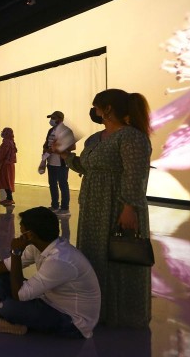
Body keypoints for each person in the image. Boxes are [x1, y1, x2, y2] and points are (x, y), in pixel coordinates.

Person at [59, 89, 153, 328]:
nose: (94, 111)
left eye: (97, 107)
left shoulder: (131, 137)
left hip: (117, 206)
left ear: (108, 109)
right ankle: (96, 309)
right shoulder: (94, 139)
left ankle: (123, 314)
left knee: (120, 258)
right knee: (94, 257)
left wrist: (129, 207)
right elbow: (86, 167)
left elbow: (136, 174)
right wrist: (66, 156)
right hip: (93, 206)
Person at [0, 207, 101, 338]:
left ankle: (8, 313)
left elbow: (19, 295)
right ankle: (7, 308)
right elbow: (7, 265)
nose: (19, 234)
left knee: (11, 306)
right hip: (48, 301)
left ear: (30, 234)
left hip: (73, 322)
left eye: (22, 230)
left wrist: (16, 252)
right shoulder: (40, 245)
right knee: (3, 276)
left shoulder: (60, 260)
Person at [42, 111, 75, 215]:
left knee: (63, 184)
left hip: (62, 163)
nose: (51, 120)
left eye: (53, 118)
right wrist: (44, 154)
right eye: (51, 118)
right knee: (52, 184)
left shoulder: (67, 131)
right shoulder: (50, 130)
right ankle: (55, 206)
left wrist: (58, 148)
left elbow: (72, 147)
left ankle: (65, 208)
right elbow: (46, 144)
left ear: (60, 119)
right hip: (50, 162)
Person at [0, 127, 17, 206]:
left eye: (3, 132)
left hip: (6, 164)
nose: (2, 133)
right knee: (7, 180)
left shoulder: (7, 143)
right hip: (8, 164)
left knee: (7, 181)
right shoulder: (10, 142)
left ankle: (10, 199)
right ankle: (8, 198)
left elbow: (3, 154)